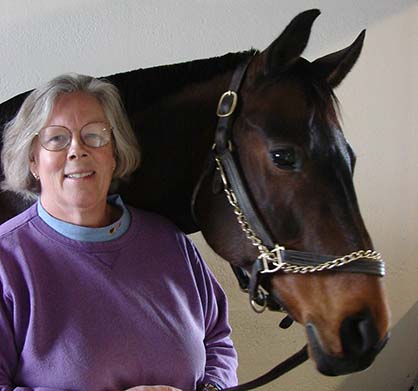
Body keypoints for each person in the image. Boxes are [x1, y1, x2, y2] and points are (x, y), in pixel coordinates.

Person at [0, 73, 238, 391]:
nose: (76, 150)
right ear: (33, 160)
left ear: (114, 153)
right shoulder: (6, 261)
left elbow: (217, 339)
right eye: (56, 138)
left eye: (94, 136)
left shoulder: (170, 242)